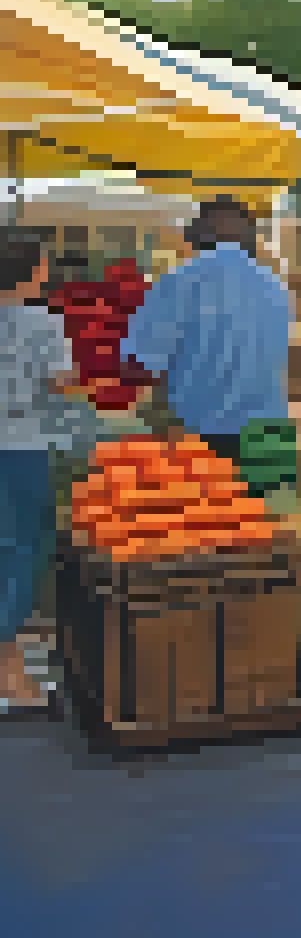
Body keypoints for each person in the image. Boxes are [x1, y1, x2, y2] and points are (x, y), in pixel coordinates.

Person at [123, 199, 294, 465]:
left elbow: (137, 364)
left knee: (208, 507)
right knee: (268, 505)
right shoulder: (275, 288)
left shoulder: (179, 280)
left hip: (200, 437)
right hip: (270, 435)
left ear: (197, 235)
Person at [0, 233, 77, 708]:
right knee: (23, 547)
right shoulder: (43, 323)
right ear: (32, 271)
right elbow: (60, 384)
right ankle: (9, 669)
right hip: (21, 446)